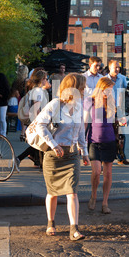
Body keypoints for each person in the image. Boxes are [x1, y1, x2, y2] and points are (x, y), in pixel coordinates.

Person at [35, 73, 89, 240]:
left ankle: (74, 229)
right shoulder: (55, 104)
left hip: (72, 154)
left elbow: (80, 133)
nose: (85, 90)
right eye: (82, 87)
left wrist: (85, 152)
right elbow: (40, 125)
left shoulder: (79, 107)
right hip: (53, 155)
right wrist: (53, 144)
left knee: (72, 192)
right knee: (53, 192)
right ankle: (51, 222)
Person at [87, 77, 117, 214]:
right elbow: (84, 122)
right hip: (94, 140)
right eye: (108, 88)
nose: (110, 91)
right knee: (97, 171)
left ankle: (105, 202)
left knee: (108, 173)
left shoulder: (111, 101)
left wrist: (121, 120)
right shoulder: (90, 101)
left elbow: (114, 119)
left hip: (109, 139)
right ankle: (94, 195)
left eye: (111, 89)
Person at [16, 70, 50, 170]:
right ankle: (20, 158)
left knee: (40, 143)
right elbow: (36, 108)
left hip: (35, 120)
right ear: (42, 80)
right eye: (45, 78)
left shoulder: (35, 90)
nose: (47, 80)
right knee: (41, 143)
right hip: (38, 120)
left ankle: (40, 164)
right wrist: (41, 121)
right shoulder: (38, 91)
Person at [106, 60, 129, 165]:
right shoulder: (104, 79)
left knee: (121, 134)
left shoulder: (122, 78)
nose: (117, 69)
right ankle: (109, 156)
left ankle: (121, 157)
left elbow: (126, 91)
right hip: (108, 110)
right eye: (115, 67)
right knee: (109, 133)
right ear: (109, 68)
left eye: (118, 67)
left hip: (120, 109)